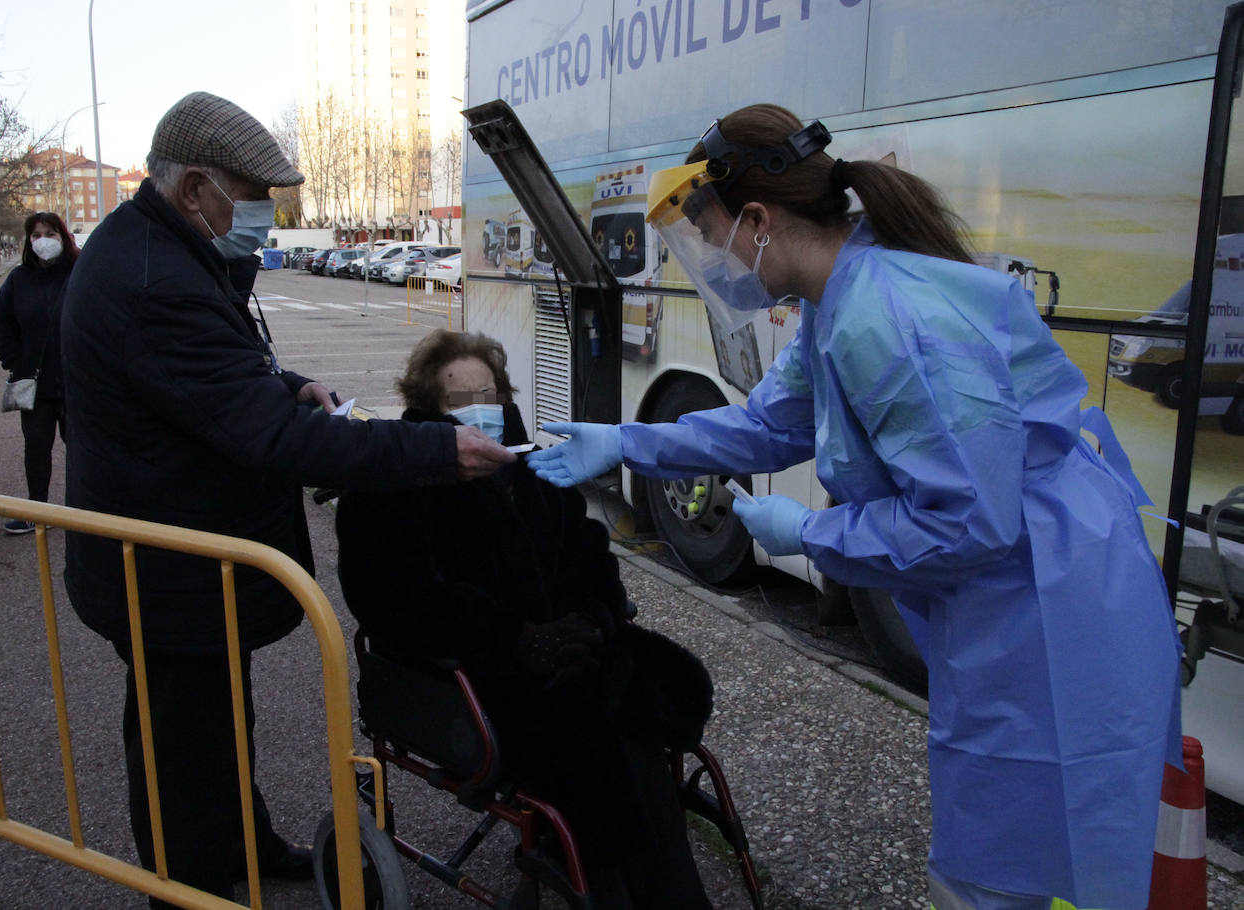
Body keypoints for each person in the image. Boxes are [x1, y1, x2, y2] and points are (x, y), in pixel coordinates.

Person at [527, 103, 1183, 910]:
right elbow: (772, 424)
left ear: (760, 219)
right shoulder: (840, 297)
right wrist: (627, 442)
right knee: (1015, 832)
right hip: (1018, 594)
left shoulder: (886, 317)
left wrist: (812, 533)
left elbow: (969, 522)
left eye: (714, 234)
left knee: (1042, 848)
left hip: (1053, 605)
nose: (716, 259)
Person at [59, 92, 514, 907]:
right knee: (179, 742)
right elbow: (275, 440)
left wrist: (288, 382)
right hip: (169, 566)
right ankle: (189, 888)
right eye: (255, 193)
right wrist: (436, 448)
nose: (268, 213)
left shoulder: (164, 247)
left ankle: (240, 843)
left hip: (182, 557)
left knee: (217, 722)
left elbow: (214, 382)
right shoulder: (155, 280)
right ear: (196, 188)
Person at [336, 329, 715, 909]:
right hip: (480, 672)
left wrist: (593, 619)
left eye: (488, 395)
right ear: (428, 408)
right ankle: (630, 885)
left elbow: (590, 555)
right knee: (599, 738)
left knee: (652, 694)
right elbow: (397, 598)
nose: (479, 412)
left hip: (570, 654)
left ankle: (640, 876)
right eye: (459, 402)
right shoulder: (394, 486)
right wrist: (519, 640)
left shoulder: (533, 468)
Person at [0, 212, 79, 534]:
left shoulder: (81, 270)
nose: (43, 240)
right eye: (36, 234)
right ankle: (36, 509)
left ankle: (86, 510)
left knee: (83, 448)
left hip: (76, 380)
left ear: (63, 236)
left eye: (50, 233)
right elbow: (3, 320)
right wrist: (13, 361)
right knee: (36, 447)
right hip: (36, 381)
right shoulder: (19, 279)